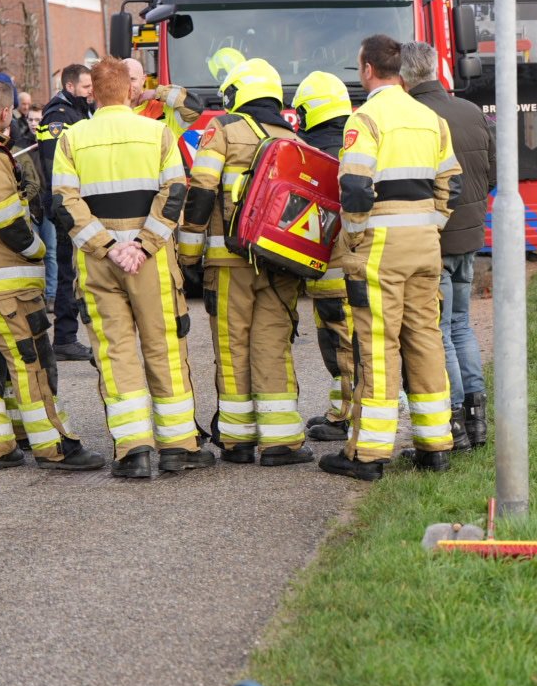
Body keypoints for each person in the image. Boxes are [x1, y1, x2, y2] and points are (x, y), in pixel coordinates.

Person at [51, 57, 204, 478]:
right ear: (129, 90)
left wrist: (108, 246)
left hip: (98, 263)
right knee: (165, 347)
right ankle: (178, 446)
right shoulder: (157, 133)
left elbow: (64, 202)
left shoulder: (72, 139)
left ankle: (133, 450)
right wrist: (142, 244)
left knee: (115, 351)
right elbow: (175, 192)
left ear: (94, 94)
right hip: (151, 260)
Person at [319, 34, 459, 481]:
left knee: (377, 346)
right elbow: (450, 185)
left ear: (367, 69)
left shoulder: (365, 119)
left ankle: (368, 454)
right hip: (425, 244)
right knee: (425, 338)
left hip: (380, 246)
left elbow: (356, 188)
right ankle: (435, 445)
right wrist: (432, 224)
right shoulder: (430, 118)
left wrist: (355, 236)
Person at [177, 59, 313, 467]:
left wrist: (189, 254)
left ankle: (237, 442)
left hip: (228, 263)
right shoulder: (294, 140)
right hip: (280, 265)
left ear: (236, 94)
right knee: (273, 345)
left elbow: (201, 192)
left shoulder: (223, 130)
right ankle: (280, 443)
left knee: (232, 344)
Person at [0, 80, 105, 471]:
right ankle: (56, 446)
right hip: (3, 285)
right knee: (31, 363)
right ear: (4, 112)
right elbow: (6, 218)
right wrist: (37, 251)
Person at [402, 41, 494, 449]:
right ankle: (477, 420)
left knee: (438, 330)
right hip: (470, 235)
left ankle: (453, 419)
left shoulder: (413, 117)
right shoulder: (472, 111)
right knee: (461, 325)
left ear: (404, 76)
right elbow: (491, 174)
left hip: (433, 239)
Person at [292, 70, 359, 443]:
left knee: (341, 344)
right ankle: (340, 410)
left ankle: (345, 416)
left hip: (328, 269)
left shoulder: (309, 153)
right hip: (349, 265)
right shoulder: (356, 144)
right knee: (342, 341)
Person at [38, 63, 93, 362]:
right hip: (64, 207)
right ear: (70, 87)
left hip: (74, 203)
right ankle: (64, 338)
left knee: (73, 271)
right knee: (67, 273)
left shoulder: (77, 111)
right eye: (86, 87)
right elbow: (54, 168)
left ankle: (67, 336)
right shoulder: (58, 117)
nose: (90, 92)